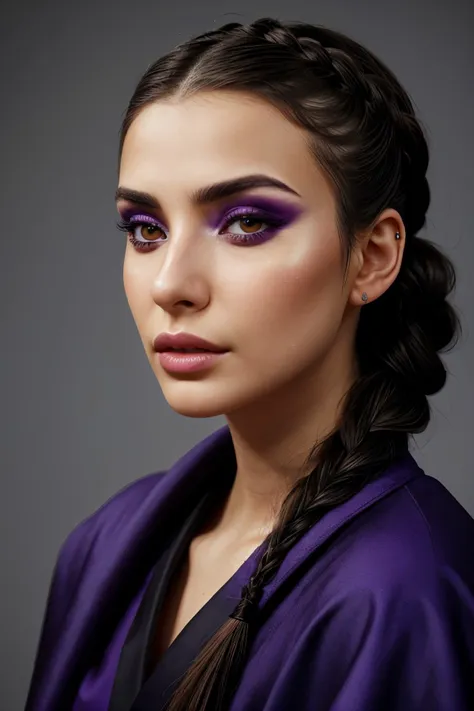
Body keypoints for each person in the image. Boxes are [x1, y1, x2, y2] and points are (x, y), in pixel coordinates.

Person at [25, 16, 474, 711]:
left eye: (247, 222)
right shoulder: (105, 544)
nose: (171, 283)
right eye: (145, 229)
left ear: (374, 255)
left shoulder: (405, 590)